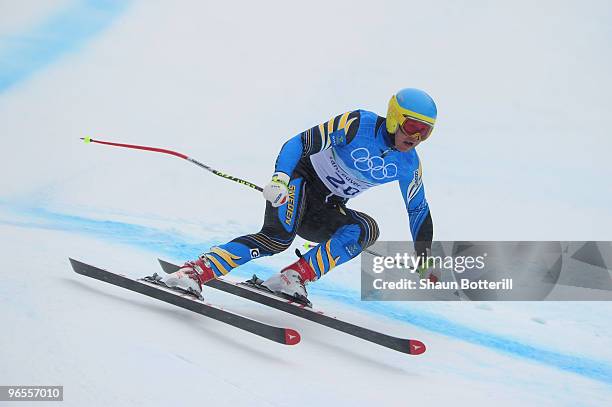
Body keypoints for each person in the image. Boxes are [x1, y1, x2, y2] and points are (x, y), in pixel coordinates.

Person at [163, 88, 436, 303]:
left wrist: (423, 255)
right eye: (413, 126)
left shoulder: (408, 164)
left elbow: (418, 210)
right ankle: (194, 271)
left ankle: (294, 276)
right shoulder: (357, 124)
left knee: (366, 229)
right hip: (299, 182)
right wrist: (280, 178)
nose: (417, 137)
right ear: (393, 118)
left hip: (326, 208)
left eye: (426, 131)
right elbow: (300, 143)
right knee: (276, 239)